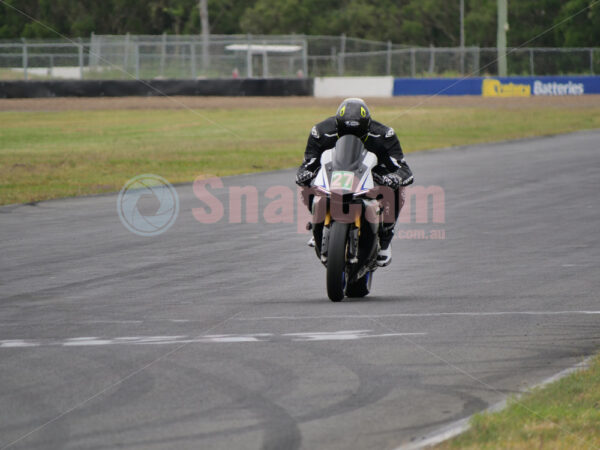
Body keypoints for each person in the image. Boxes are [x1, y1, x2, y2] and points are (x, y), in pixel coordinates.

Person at [295, 98, 414, 267]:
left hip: (375, 173)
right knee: (308, 183)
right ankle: (317, 223)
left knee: (396, 189)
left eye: (357, 133)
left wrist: (393, 178)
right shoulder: (321, 132)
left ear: (367, 126)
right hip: (337, 169)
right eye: (344, 132)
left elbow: (404, 169)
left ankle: (386, 239)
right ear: (337, 125)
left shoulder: (384, 134)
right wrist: (304, 173)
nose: (351, 136)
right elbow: (309, 163)